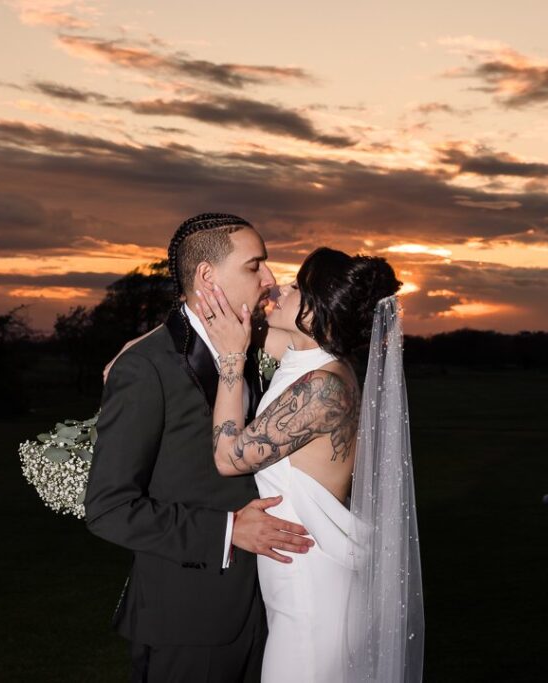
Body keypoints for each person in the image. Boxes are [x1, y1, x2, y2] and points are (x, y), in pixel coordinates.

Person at [83, 213, 315, 683]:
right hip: (187, 617)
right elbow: (108, 508)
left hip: (270, 604)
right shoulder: (146, 368)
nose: (271, 279)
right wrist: (228, 530)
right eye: (256, 266)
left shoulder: (250, 345)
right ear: (207, 275)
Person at [194, 247, 425, 682]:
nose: (281, 289)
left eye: (298, 288)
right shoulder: (309, 356)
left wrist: (230, 363)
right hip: (298, 583)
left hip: (311, 597)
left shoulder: (323, 388)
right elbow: (229, 329)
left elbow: (228, 458)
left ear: (320, 313)